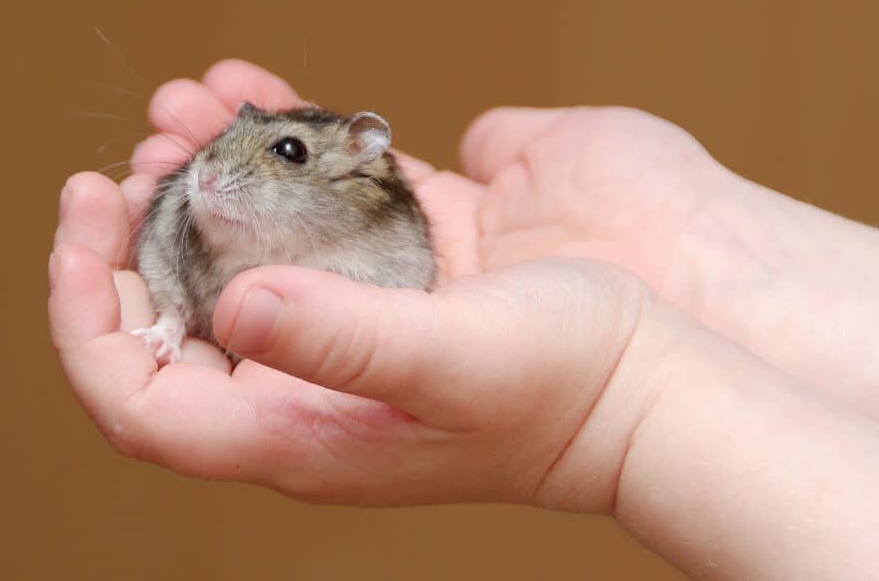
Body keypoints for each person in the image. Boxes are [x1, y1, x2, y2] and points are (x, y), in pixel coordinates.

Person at [48, 60, 879, 579]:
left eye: (285, 154)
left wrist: (614, 402)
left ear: (355, 167)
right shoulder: (203, 215)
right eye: (219, 152)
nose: (208, 176)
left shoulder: (383, 235)